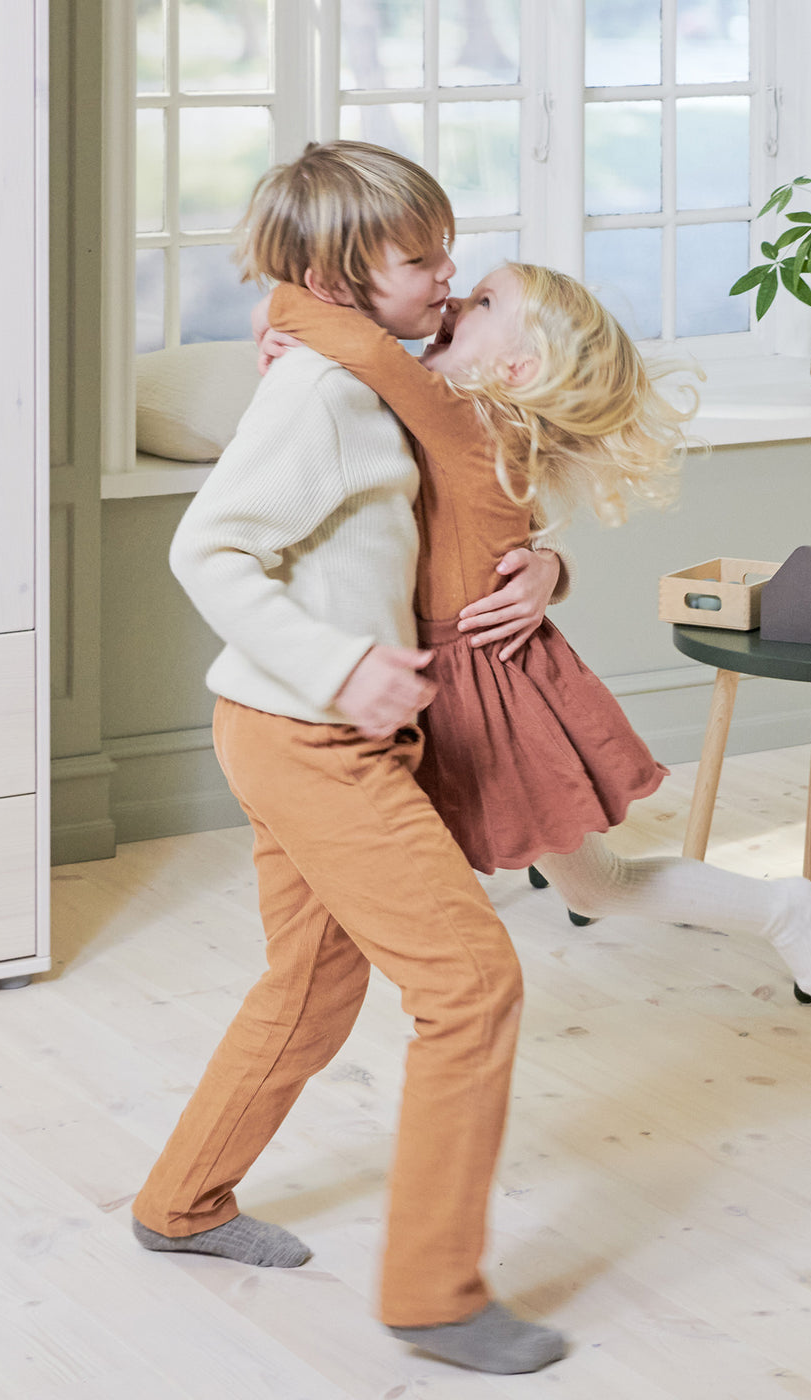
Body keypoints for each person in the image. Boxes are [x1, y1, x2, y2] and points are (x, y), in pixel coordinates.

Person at [129, 140, 568, 1376]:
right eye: (419, 259)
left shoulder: (376, 374)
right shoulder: (322, 390)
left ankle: (181, 1200)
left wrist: (545, 566)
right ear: (335, 274)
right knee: (470, 984)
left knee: (310, 987)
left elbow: (463, 524)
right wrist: (336, 667)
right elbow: (207, 552)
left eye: (445, 249)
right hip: (308, 733)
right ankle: (434, 1293)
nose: (447, 277)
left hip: (309, 728)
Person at [259, 257, 811, 1003]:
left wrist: (282, 302)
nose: (459, 295)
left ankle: (782, 909)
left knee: (594, 885)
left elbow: (366, 351)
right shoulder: (465, 421)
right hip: (430, 668)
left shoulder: (466, 426)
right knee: (568, 881)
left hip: (478, 689)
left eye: (486, 301)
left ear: (518, 367)